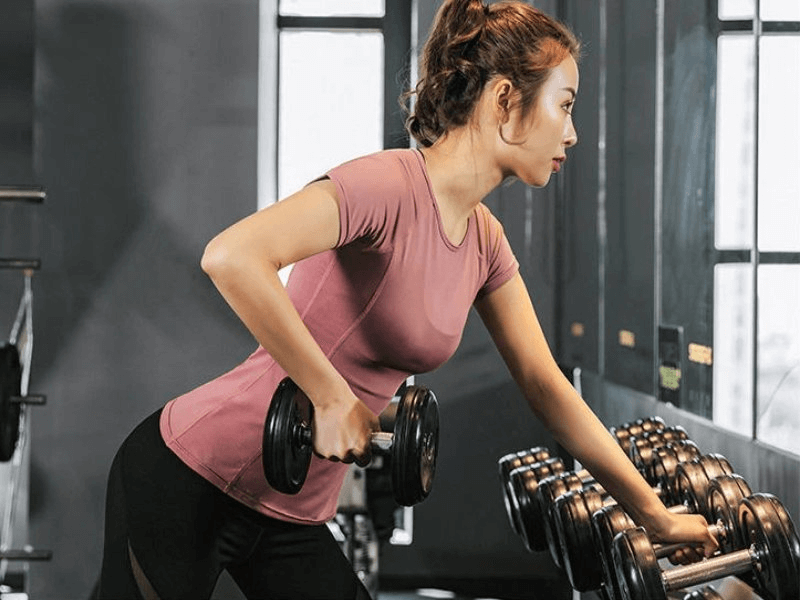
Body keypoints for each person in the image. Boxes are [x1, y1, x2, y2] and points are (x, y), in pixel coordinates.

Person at [94, 1, 719, 598]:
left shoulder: (484, 241)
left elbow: (546, 384)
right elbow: (231, 256)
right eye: (565, 105)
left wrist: (655, 516)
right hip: (190, 475)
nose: (573, 134)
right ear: (506, 100)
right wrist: (331, 394)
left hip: (293, 511)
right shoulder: (386, 186)